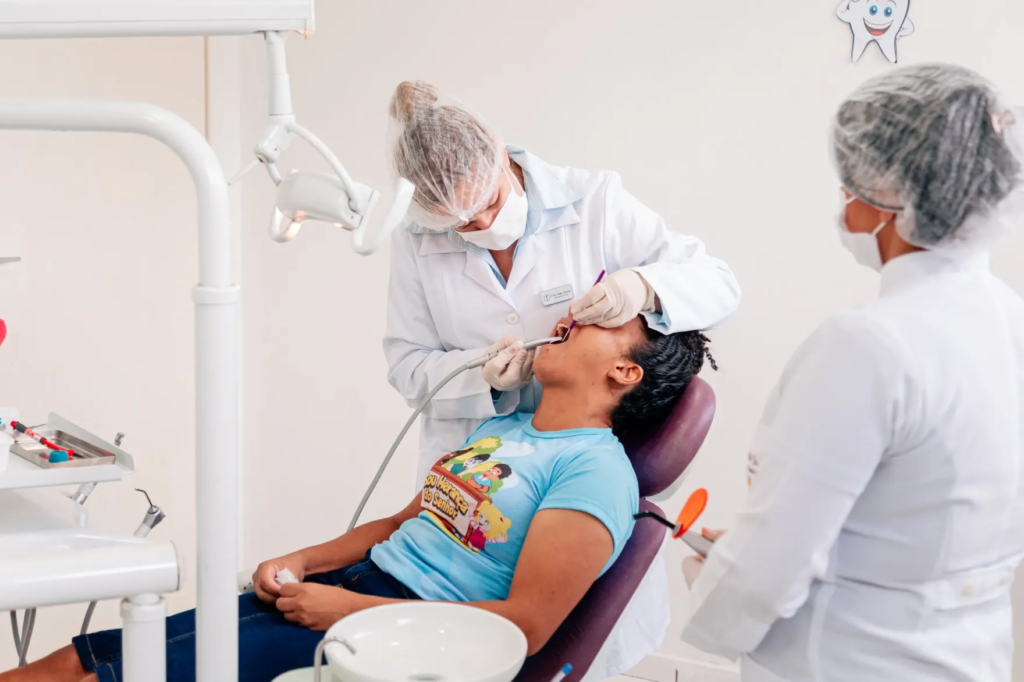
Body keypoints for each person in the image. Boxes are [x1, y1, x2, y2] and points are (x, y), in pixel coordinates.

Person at [3, 317, 714, 682]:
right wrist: (304, 561)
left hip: (406, 634)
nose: (571, 318)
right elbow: (405, 522)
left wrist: (347, 611)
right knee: (89, 657)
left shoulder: (595, 475)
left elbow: (523, 629)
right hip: (350, 589)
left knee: (120, 677)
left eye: (603, 323)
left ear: (625, 371)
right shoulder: (505, 429)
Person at [679, 63, 1024, 682]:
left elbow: (767, 572)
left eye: (850, 180)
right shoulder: (1010, 321)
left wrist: (718, 582)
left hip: (846, 661)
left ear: (889, 192)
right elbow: (915, 520)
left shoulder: (868, 346)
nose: (843, 198)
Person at [384, 81, 740, 671]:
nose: (482, 224)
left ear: (498, 150)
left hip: (569, 478)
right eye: (461, 224)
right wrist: (481, 377)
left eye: (490, 204)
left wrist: (643, 286)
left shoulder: (593, 201)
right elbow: (408, 366)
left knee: (562, 647)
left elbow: (719, 284)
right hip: (479, 478)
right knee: (446, 652)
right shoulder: (416, 237)